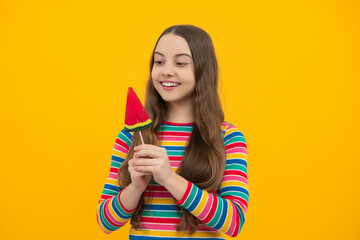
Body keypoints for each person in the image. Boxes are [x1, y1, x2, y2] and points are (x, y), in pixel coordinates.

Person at [96, 24, 249, 240]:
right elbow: (105, 222)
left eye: (180, 63)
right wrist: (136, 186)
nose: (166, 70)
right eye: (159, 62)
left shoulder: (227, 138)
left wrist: (169, 178)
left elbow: (233, 222)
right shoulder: (132, 136)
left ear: (203, 70)